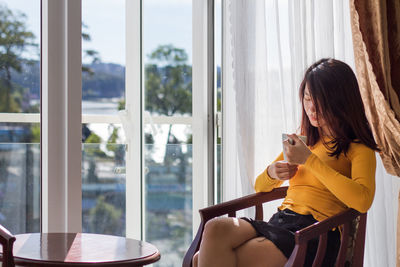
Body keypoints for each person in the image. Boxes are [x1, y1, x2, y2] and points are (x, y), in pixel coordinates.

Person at [192, 58, 379, 267]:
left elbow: (363, 201)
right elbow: (260, 185)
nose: (312, 108)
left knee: (202, 259)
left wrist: (309, 160)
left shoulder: (358, 148)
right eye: (308, 98)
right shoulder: (302, 140)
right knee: (215, 227)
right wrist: (272, 173)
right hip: (282, 222)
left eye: (320, 100)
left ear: (340, 101)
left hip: (316, 234)